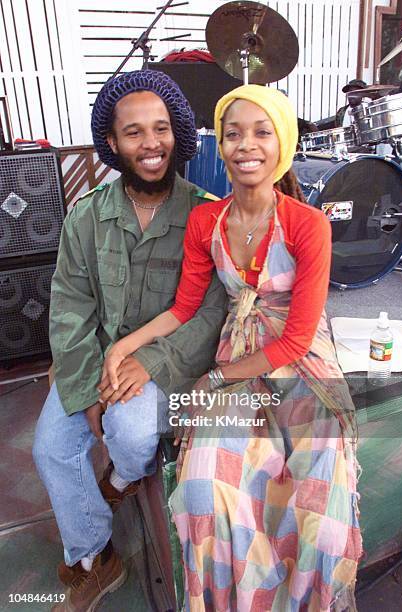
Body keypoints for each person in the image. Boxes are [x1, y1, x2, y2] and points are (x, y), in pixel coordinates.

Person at [99, 85, 362, 611]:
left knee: (322, 511)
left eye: (262, 132)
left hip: (297, 363)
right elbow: (184, 307)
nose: (246, 145)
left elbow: (295, 337)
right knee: (203, 490)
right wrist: (121, 347)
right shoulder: (206, 221)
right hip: (235, 351)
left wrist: (215, 380)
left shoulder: (308, 225)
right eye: (233, 134)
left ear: (282, 143)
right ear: (219, 146)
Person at [32, 69, 228, 612]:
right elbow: (71, 306)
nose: (150, 144)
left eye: (161, 129)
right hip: (92, 359)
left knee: (134, 433)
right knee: (52, 449)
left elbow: (212, 311)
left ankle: (119, 477)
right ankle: (95, 555)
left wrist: (150, 361)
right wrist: (85, 384)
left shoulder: (206, 215)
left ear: (178, 134)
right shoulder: (86, 218)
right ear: (112, 143)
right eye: (134, 132)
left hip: (161, 366)